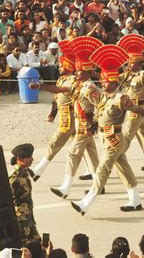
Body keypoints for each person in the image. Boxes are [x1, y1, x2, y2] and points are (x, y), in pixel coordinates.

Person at [71, 45, 144, 215]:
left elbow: (138, 110)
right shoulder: (104, 97)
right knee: (123, 169)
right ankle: (135, 200)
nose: (102, 82)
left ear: (113, 83)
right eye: (102, 80)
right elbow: (100, 114)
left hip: (114, 139)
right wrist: (94, 124)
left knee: (102, 169)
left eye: (105, 81)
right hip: (106, 137)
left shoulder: (121, 99)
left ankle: (86, 203)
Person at [31, 38, 100, 183]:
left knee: (55, 142)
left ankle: (39, 169)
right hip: (67, 117)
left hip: (70, 118)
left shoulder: (73, 81)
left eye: (61, 65)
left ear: (68, 66)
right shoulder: (62, 78)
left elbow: (59, 90)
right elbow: (57, 98)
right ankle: (95, 173)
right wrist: (52, 113)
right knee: (88, 146)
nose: (59, 67)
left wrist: (41, 86)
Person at [118, 34, 144, 171]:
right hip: (132, 108)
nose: (129, 64)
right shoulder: (128, 75)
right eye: (129, 62)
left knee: (127, 134)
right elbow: (114, 78)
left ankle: (116, 158)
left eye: (132, 62)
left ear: (139, 63)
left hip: (137, 107)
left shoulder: (143, 75)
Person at [9, 143, 41, 246]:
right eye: (29, 157)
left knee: (39, 246)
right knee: (23, 248)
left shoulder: (25, 173)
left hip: (28, 219)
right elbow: (6, 199)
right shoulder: (14, 178)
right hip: (21, 222)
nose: (32, 159)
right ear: (20, 159)